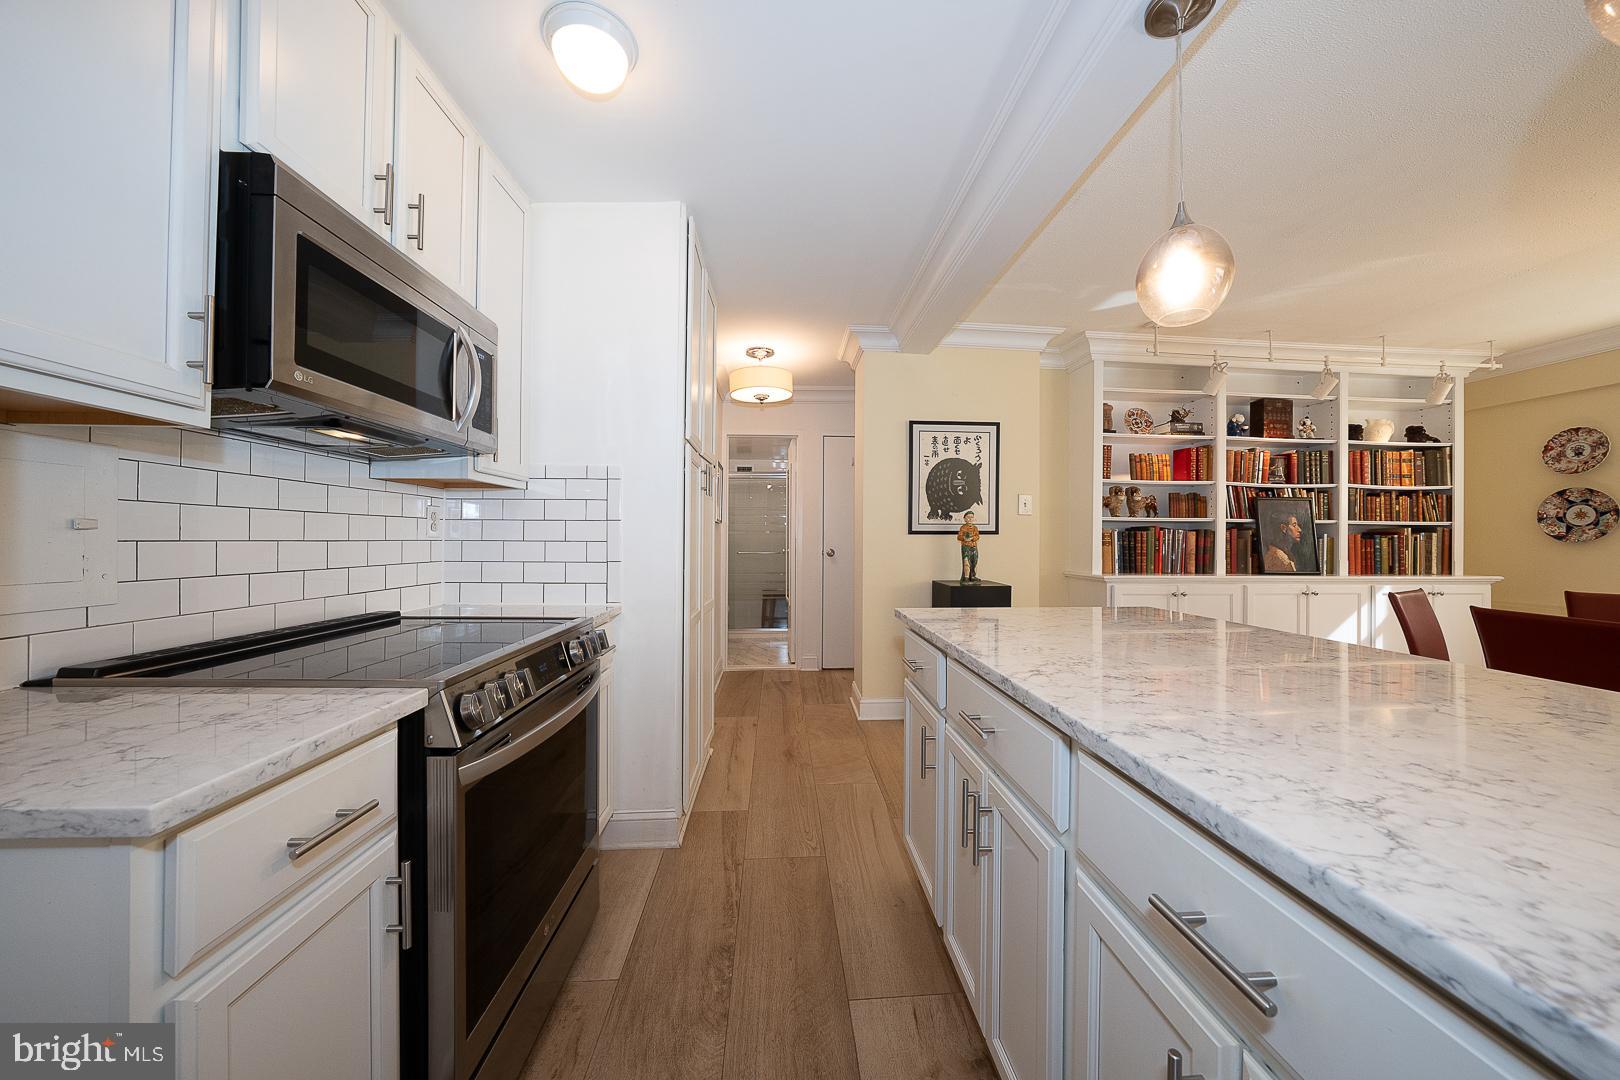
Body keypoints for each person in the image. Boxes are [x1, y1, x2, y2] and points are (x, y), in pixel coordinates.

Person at [957, 511, 981, 583]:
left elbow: (977, 536)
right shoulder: (963, 528)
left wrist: (973, 538)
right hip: (966, 547)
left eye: (972, 517)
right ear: (964, 519)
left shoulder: (975, 528)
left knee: (975, 562)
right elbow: (959, 537)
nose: (970, 519)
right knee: (966, 562)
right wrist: (964, 538)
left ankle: (973, 576)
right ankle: (966, 577)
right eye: (968, 517)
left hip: (973, 547)